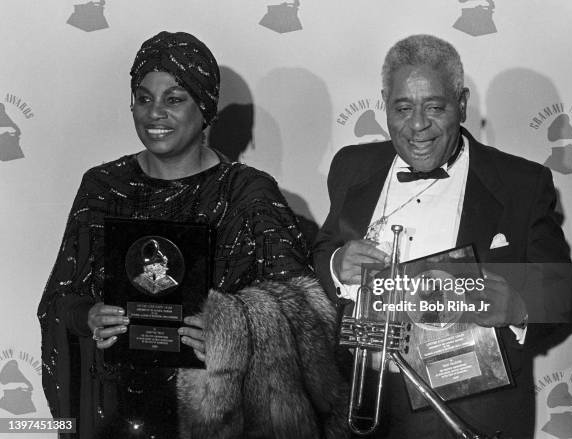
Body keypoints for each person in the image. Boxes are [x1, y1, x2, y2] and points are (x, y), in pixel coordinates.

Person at [38, 31, 347, 439]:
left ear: (205, 108)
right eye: (143, 98)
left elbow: (305, 315)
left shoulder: (248, 194)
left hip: (221, 424)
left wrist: (229, 328)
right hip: (118, 413)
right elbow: (59, 300)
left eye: (174, 99)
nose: (155, 114)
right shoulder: (103, 187)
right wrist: (88, 315)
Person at [314, 34, 572, 438]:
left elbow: (564, 293)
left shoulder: (521, 183)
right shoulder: (351, 166)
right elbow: (321, 253)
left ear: (462, 104)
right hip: (358, 402)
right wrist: (336, 265)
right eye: (402, 108)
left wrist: (520, 308)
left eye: (434, 107)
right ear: (385, 105)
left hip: (465, 412)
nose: (417, 125)